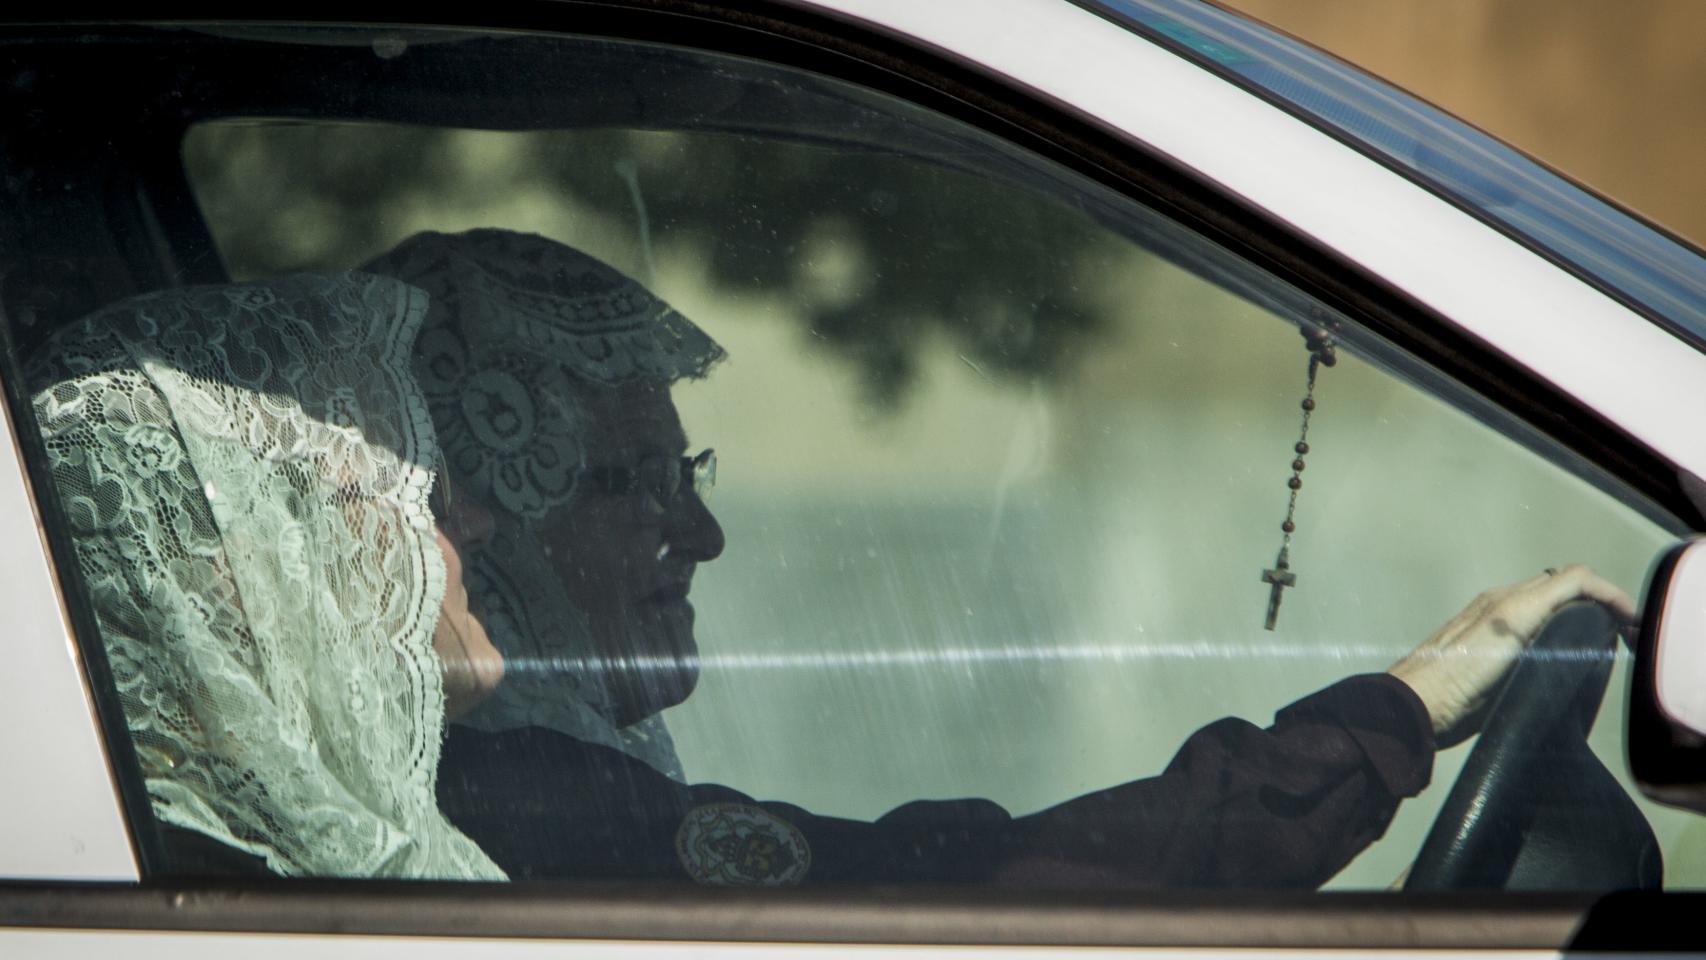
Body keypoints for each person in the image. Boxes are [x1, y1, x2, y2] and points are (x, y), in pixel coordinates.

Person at [365, 229, 1637, 889]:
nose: (698, 533)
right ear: (483, 505)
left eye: (683, 476)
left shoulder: (509, 782)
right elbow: (980, 883)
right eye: (629, 484)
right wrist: (1394, 711)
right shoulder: (517, 797)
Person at [28, 272, 506, 878]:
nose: (479, 522)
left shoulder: (364, 844)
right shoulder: (199, 879)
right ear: (239, 570)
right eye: (417, 492)